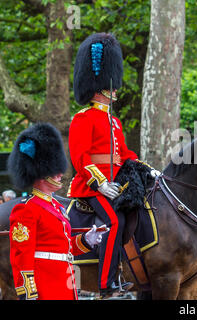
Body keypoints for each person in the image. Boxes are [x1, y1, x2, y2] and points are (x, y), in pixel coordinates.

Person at [69, 32, 139, 298]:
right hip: (91, 187)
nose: (116, 90)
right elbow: (80, 157)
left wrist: (145, 168)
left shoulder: (114, 121)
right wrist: (100, 182)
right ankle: (105, 282)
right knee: (113, 222)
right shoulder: (84, 118)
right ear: (100, 88)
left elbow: (123, 153)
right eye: (112, 86)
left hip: (116, 184)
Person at [7, 123, 106, 300]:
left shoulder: (58, 207)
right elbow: (21, 256)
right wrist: (29, 293)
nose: (60, 173)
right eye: (54, 171)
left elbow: (63, 249)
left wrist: (86, 240)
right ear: (41, 172)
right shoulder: (26, 209)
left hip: (65, 285)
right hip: (45, 286)